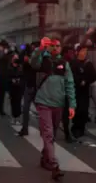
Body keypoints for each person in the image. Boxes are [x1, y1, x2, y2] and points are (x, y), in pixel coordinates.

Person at [30, 37, 76, 180]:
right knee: (48, 134)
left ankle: (45, 159)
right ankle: (54, 165)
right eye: (52, 46)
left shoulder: (64, 64)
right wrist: (41, 48)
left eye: (57, 46)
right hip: (43, 102)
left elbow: (70, 84)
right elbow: (33, 63)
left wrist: (72, 105)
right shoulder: (42, 60)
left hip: (58, 104)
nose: (55, 48)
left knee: (52, 134)